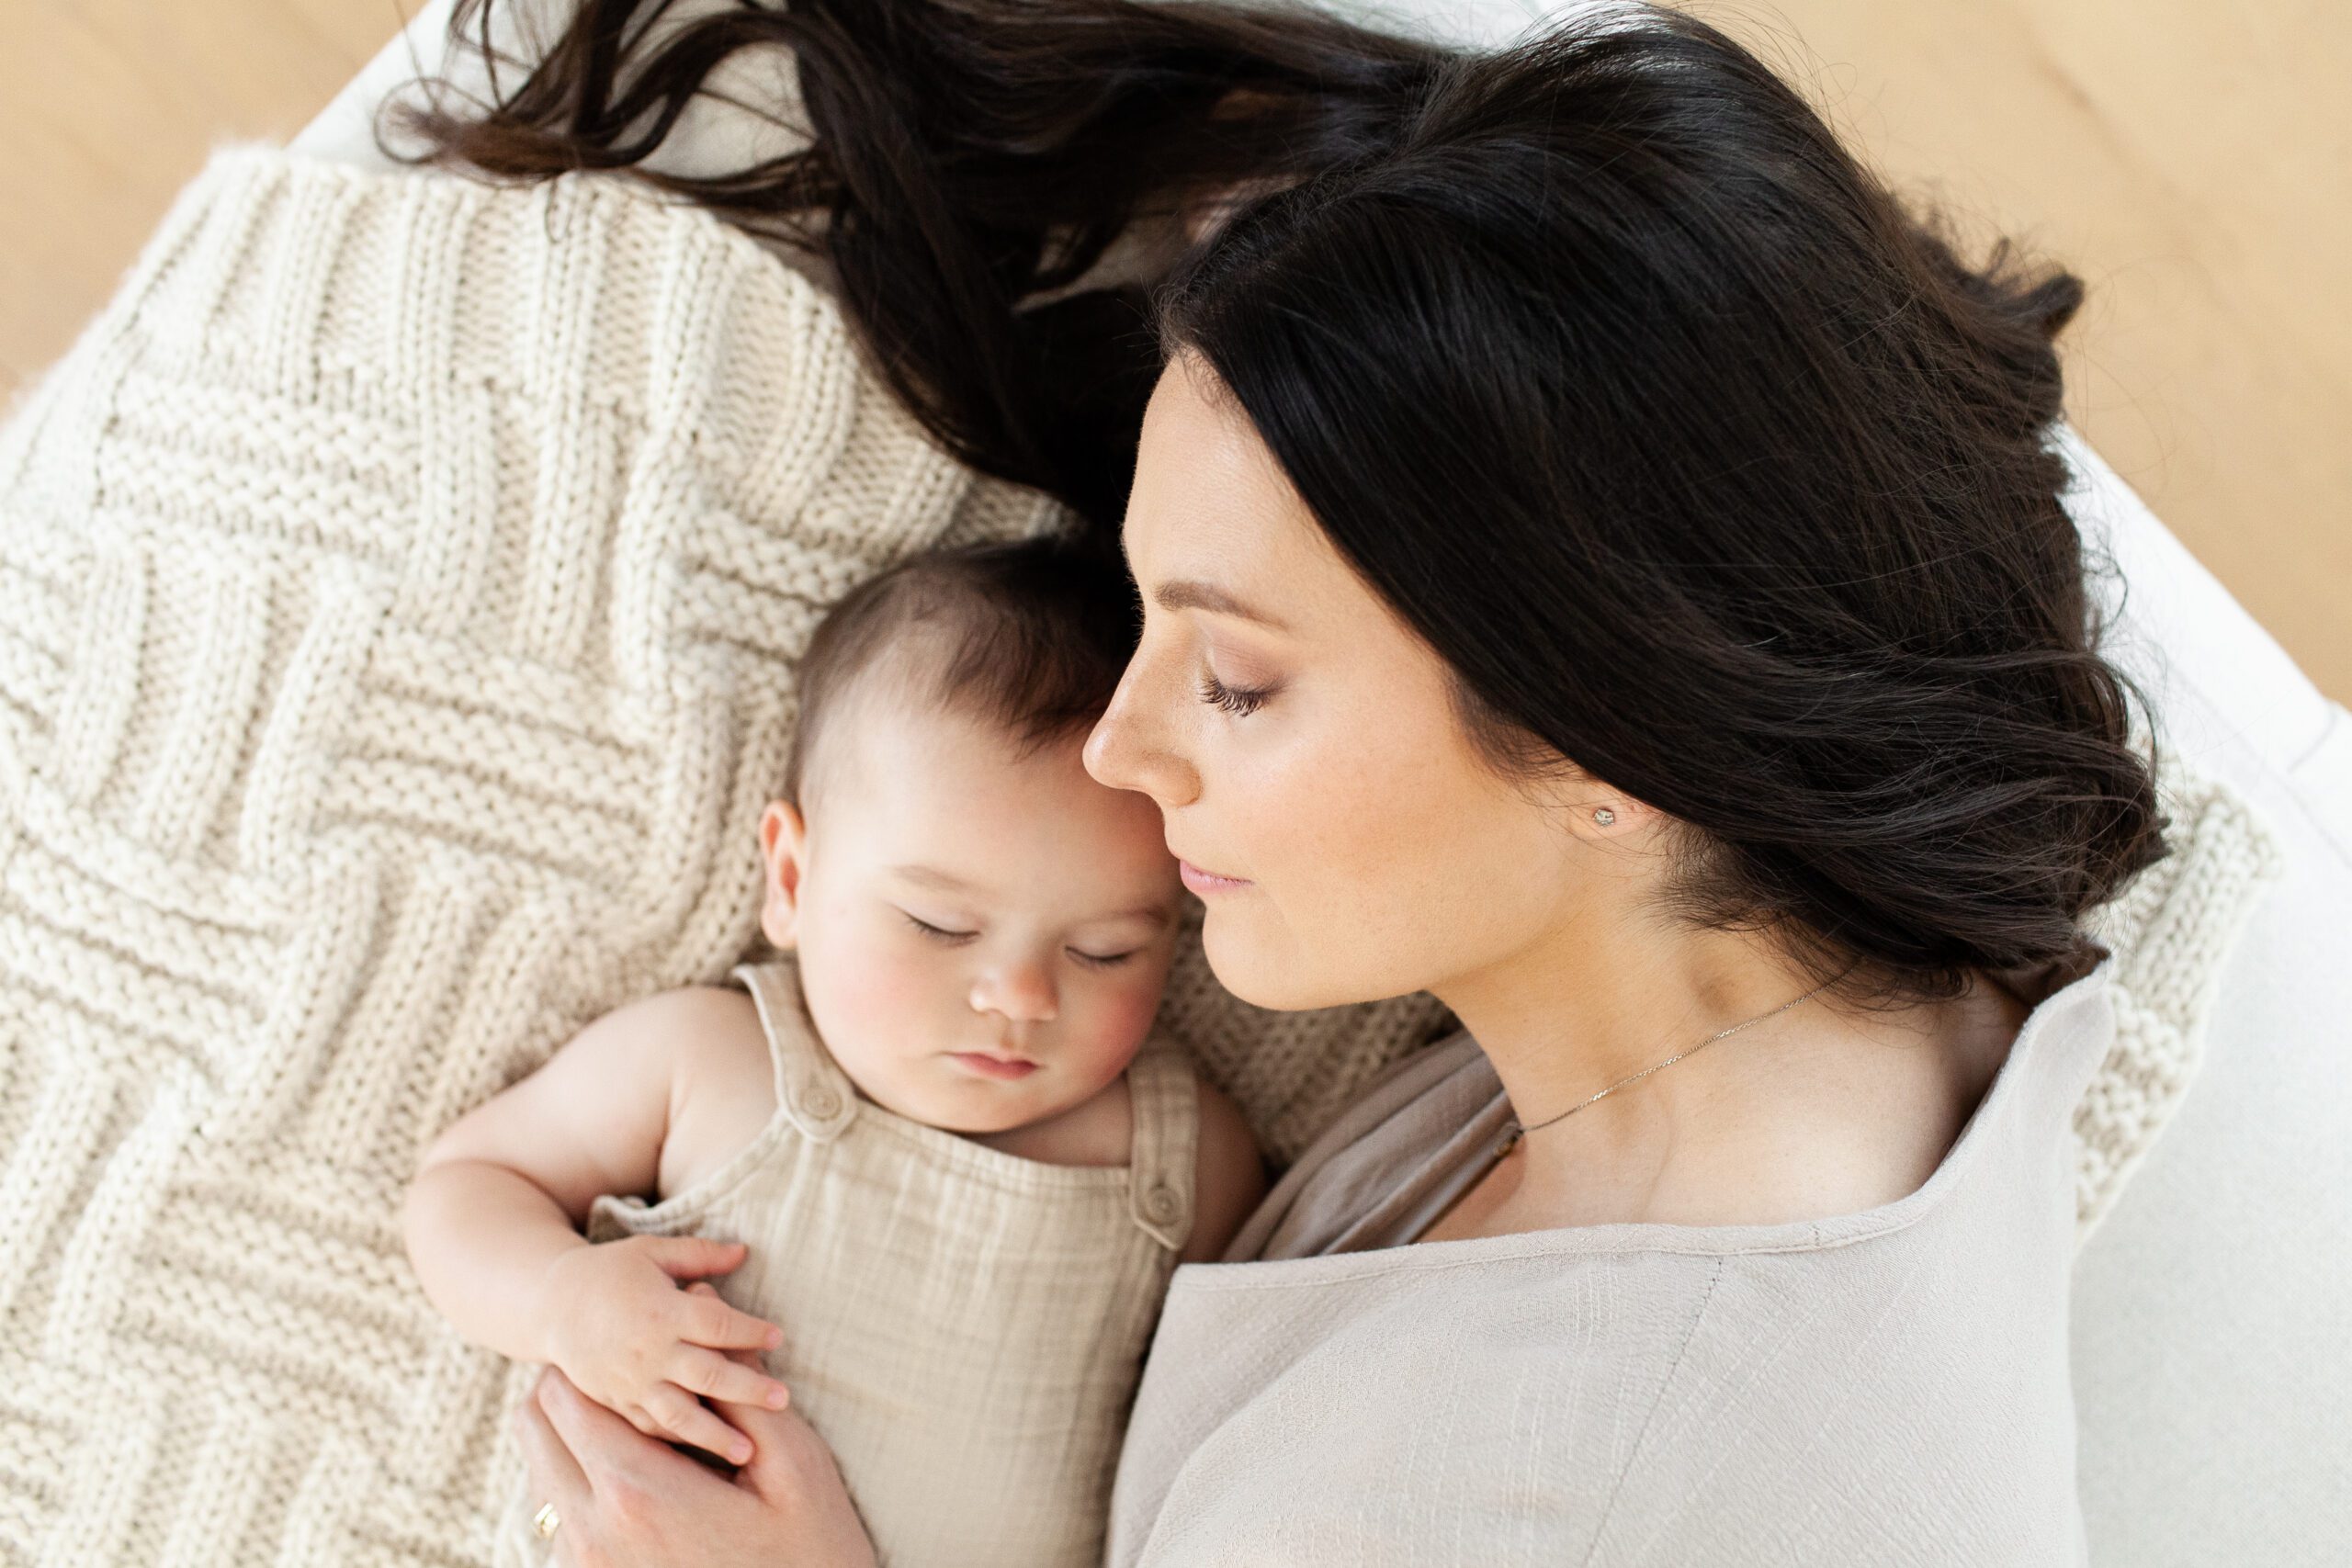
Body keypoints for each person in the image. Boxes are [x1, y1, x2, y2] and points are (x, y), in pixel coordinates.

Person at [393, 0, 2168, 1560]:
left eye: (1235, 680)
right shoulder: (1867, 981)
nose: (1119, 748)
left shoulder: (1499, 1487)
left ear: (1599, 739)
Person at [400, 537, 1268, 1568]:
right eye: (939, 925)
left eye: (1105, 949)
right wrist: (559, 1298)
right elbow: (464, 1184)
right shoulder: (713, 1061)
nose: (1021, 998)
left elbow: (1222, 1440)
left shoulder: (1185, 1156)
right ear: (792, 878)